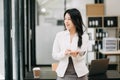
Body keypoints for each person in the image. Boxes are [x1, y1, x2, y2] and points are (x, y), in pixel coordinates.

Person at [52, 8, 89, 80]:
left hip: (80, 75)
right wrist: (64, 53)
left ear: (76, 20)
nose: (66, 21)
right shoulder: (59, 35)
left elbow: (83, 55)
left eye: (69, 19)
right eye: (65, 19)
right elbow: (54, 55)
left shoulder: (84, 36)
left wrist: (76, 55)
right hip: (63, 74)